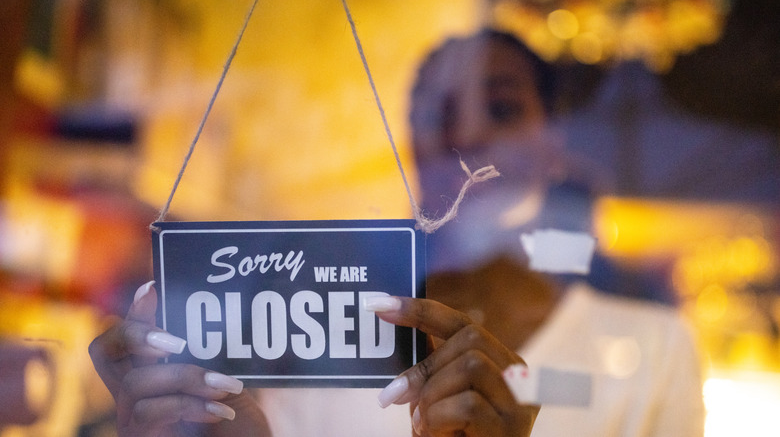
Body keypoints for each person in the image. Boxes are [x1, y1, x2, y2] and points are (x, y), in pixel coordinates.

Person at [89, 29, 705, 436]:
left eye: (503, 107)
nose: (467, 136)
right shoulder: (324, 330)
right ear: (410, 143)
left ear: (554, 144)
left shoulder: (650, 348)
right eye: (439, 112)